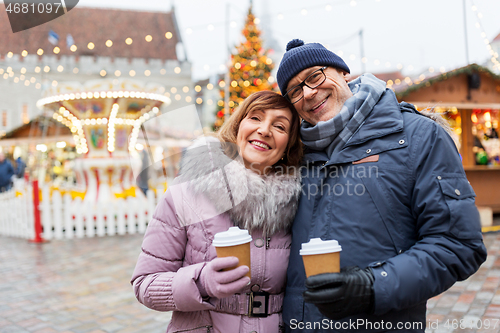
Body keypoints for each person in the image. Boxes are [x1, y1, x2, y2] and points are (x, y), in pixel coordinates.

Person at [276, 39, 487, 332]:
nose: (309, 93)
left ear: (342, 72)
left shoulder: (418, 137)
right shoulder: (292, 155)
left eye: (315, 76)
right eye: (295, 91)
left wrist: (373, 286)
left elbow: (459, 244)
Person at [131, 90, 303, 333]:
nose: (264, 130)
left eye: (280, 126)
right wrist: (200, 282)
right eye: (255, 118)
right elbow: (145, 285)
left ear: (288, 145)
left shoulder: (299, 202)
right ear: (237, 127)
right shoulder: (185, 194)